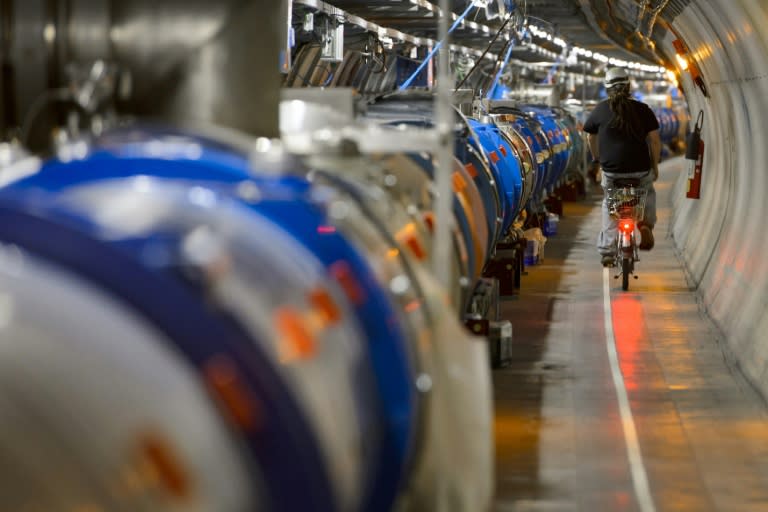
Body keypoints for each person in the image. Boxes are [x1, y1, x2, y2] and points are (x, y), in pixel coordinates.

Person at [583, 67, 661, 266]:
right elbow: (654, 140)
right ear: (628, 86)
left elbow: (590, 136)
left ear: (607, 88)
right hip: (640, 169)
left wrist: (597, 158)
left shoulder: (600, 109)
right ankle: (645, 225)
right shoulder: (643, 110)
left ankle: (608, 250)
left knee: (610, 204)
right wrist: (654, 166)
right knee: (647, 192)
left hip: (612, 171)